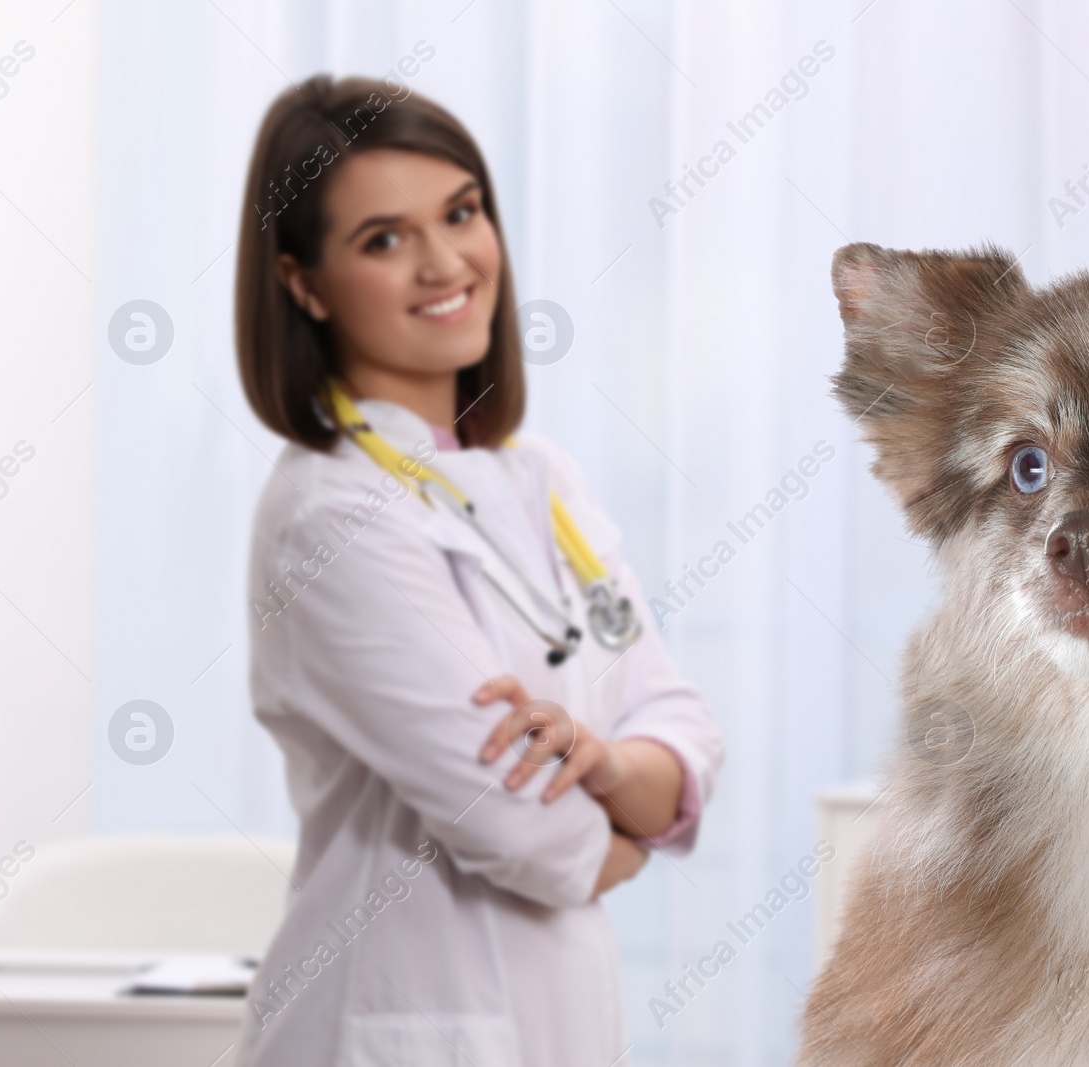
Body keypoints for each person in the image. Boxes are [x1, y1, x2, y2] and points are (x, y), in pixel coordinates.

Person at [231, 74, 722, 1066]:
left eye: (461, 212)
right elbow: (511, 823)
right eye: (384, 238)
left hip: (554, 1016)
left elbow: (681, 726)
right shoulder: (329, 513)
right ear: (304, 282)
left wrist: (613, 763)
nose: (445, 261)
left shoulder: (540, 479)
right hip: (390, 1020)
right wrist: (624, 841)